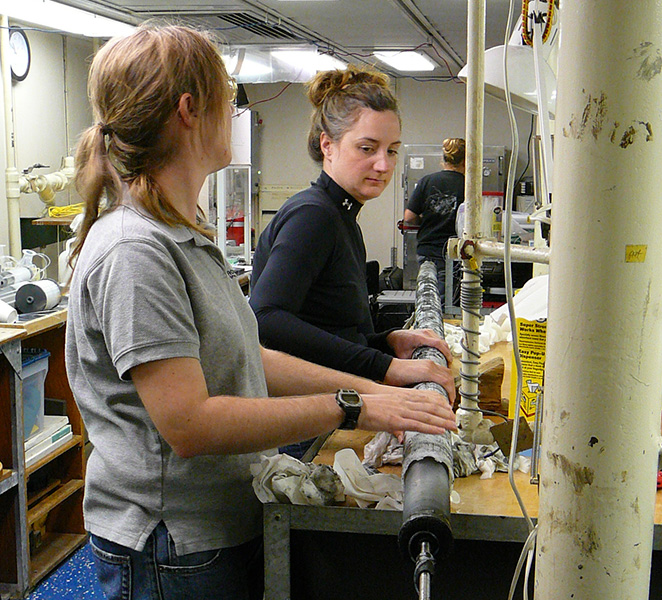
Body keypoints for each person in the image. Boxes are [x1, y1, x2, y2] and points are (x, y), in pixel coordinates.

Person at [65, 24, 456, 600]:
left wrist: (374, 394)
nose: (238, 105)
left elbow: (256, 355)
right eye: (228, 93)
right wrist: (351, 408)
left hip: (224, 523)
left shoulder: (182, 235)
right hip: (172, 545)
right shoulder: (135, 251)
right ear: (190, 110)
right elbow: (190, 424)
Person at [249, 66, 456, 457]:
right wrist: (384, 368)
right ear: (328, 146)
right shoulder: (314, 216)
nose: (383, 164)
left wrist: (386, 340)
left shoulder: (341, 217)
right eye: (367, 148)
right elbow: (266, 319)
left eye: (392, 150)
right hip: (304, 431)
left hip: (331, 419)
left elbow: (328, 327)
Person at [403, 138, 466, 304]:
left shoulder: (426, 181)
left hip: (427, 250)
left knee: (428, 297)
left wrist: (428, 220)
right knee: (447, 303)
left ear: (443, 159)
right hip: (455, 252)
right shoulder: (469, 185)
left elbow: (409, 217)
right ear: (467, 161)